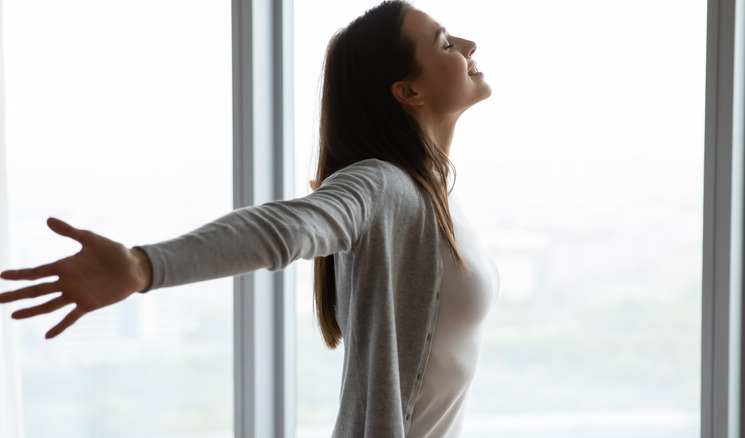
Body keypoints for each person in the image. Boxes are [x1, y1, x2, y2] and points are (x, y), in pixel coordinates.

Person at [0, 1, 498, 436]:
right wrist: (143, 265)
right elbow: (284, 228)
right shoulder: (383, 184)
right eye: (445, 43)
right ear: (407, 92)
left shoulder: (435, 194)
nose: (468, 44)